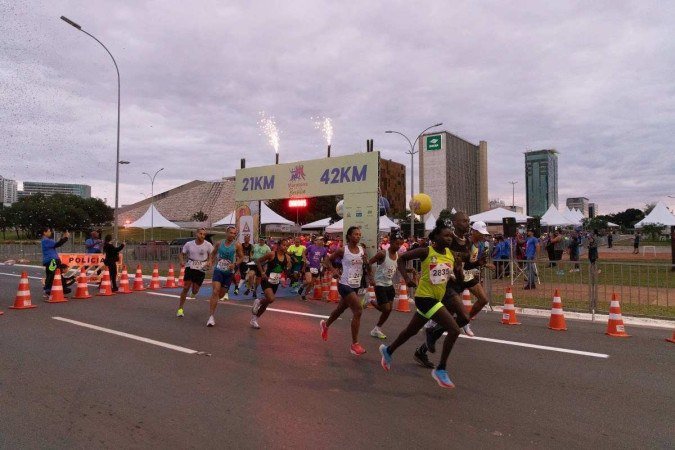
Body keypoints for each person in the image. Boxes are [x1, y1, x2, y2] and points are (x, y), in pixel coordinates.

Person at [378, 219, 464, 388]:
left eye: (450, 236)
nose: (449, 238)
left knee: (411, 331)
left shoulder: (451, 256)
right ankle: (441, 369)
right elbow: (402, 259)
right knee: (454, 329)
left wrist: (459, 270)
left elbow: (459, 282)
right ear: (436, 236)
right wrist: (407, 278)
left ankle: (388, 351)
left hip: (436, 299)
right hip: (424, 297)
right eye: (445, 235)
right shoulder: (426, 251)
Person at [319, 226, 374, 356]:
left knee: (340, 309)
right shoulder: (343, 250)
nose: (358, 236)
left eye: (359, 234)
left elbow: (366, 266)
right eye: (355, 234)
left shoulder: (362, 250)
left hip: (356, 284)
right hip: (344, 284)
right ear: (349, 236)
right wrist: (333, 271)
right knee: (358, 310)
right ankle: (354, 345)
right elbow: (327, 260)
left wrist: (370, 275)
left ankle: (325, 325)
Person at [367, 230, 404, 339]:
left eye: (400, 244)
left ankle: (377, 329)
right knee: (386, 309)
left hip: (389, 284)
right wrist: (371, 278)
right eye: (396, 243)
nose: (398, 246)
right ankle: (370, 300)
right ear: (391, 242)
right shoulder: (382, 253)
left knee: (388, 310)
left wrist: (409, 270)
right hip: (379, 284)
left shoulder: (398, 255)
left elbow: (398, 268)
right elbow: (369, 263)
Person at [206, 226, 243, 327]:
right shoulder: (219, 243)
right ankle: (211, 317)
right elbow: (212, 254)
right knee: (215, 291)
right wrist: (210, 261)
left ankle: (215, 302)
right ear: (226, 233)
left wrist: (235, 264)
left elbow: (241, 257)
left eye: (234, 233)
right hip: (218, 270)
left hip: (229, 273)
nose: (232, 235)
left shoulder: (237, 245)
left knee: (221, 295)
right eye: (231, 233)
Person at [250, 238, 292, 329]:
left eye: (286, 246)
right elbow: (258, 261)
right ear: (278, 245)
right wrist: (262, 273)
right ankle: (258, 301)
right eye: (283, 245)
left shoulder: (287, 258)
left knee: (267, 303)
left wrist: (286, 276)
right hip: (266, 280)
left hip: (275, 282)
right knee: (271, 299)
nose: (285, 247)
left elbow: (284, 270)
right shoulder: (272, 254)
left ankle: (254, 319)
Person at [176, 228, 213, 318]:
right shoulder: (189, 244)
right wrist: (181, 261)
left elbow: (212, 255)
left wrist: (209, 261)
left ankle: (193, 291)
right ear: (196, 234)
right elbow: (181, 254)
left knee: (195, 290)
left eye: (204, 234)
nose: (202, 236)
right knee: (185, 287)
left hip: (201, 268)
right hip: (190, 266)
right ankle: (180, 309)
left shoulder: (208, 245)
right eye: (200, 234)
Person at [41, 228, 71, 298]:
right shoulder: (46, 240)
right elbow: (58, 244)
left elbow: (57, 244)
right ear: (44, 233)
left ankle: (57, 290)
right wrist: (66, 237)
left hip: (52, 260)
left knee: (55, 275)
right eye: (48, 231)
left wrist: (63, 237)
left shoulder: (47, 241)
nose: (50, 233)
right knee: (52, 275)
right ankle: (48, 290)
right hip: (52, 260)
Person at [299, 236, 329, 301]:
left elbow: (325, 258)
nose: (321, 241)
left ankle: (304, 295)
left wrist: (324, 264)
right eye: (320, 240)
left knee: (311, 284)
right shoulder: (311, 247)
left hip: (316, 268)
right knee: (308, 281)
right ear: (316, 241)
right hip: (309, 266)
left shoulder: (324, 249)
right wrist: (305, 260)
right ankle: (302, 286)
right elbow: (303, 253)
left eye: (322, 240)